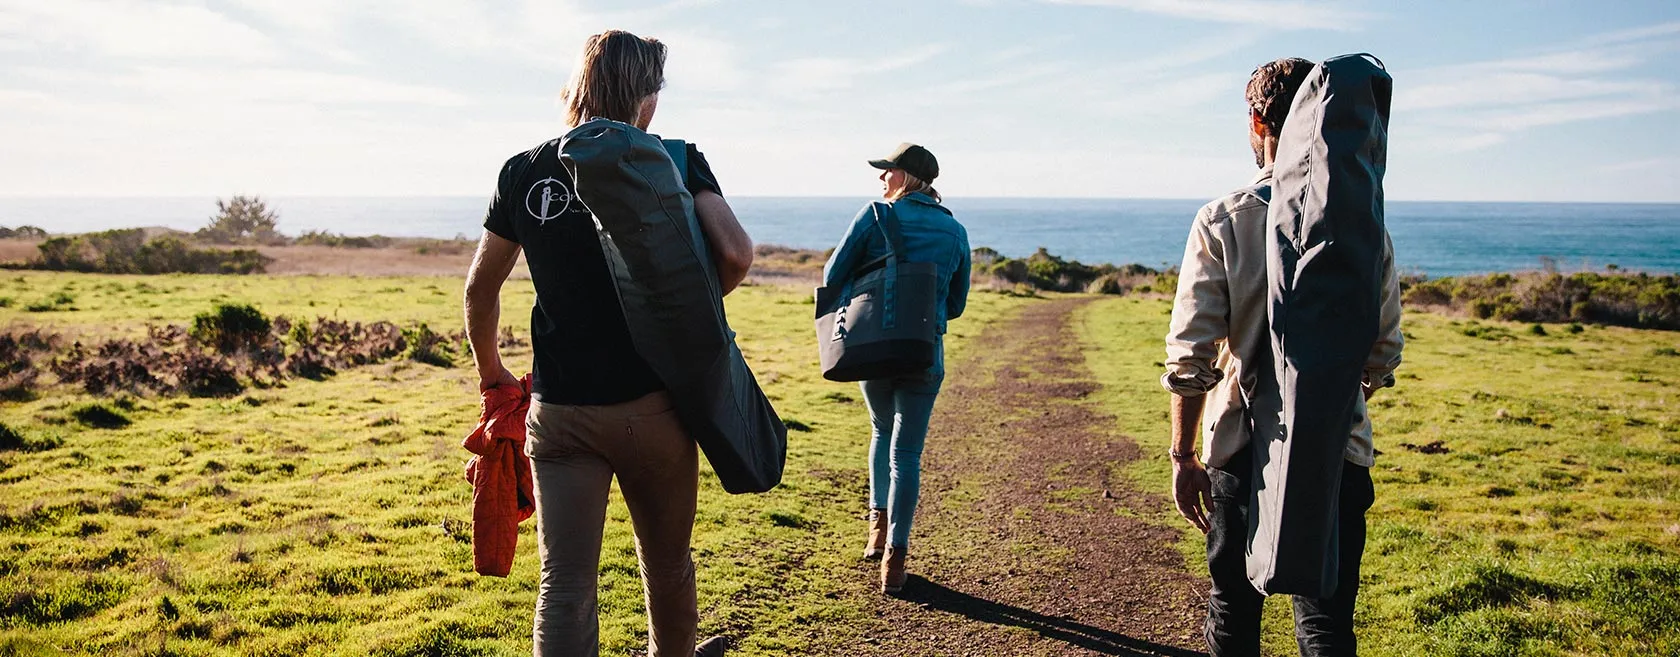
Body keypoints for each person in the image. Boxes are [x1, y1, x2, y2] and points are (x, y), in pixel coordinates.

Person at [463, 30, 752, 657]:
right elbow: (735, 253)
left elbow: (480, 293)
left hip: (560, 411)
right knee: (667, 564)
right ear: (643, 96)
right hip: (654, 407)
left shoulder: (524, 169)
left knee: (564, 583)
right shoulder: (673, 159)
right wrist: (684, 318)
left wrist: (494, 377)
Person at [1160, 57, 1404, 656]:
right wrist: (1324, 397)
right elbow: (1384, 350)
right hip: (1337, 452)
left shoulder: (1223, 219)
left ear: (1257, 122)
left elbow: (1192, 356)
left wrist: (1183, 454)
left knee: (1233, 612)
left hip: (1241, 450)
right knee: (1325, 624)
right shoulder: (1363, 224)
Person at [822, 143, 971, 594]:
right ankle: (896, 558)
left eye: (888, 171)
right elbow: (958, 304)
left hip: (874, 346)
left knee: (880, 432)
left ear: (906, 177)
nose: (881, 178)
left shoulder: (874, 216)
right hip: (925, 351)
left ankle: (876, 530)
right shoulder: (956, 231)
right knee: (907, 454)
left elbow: (832, 274)